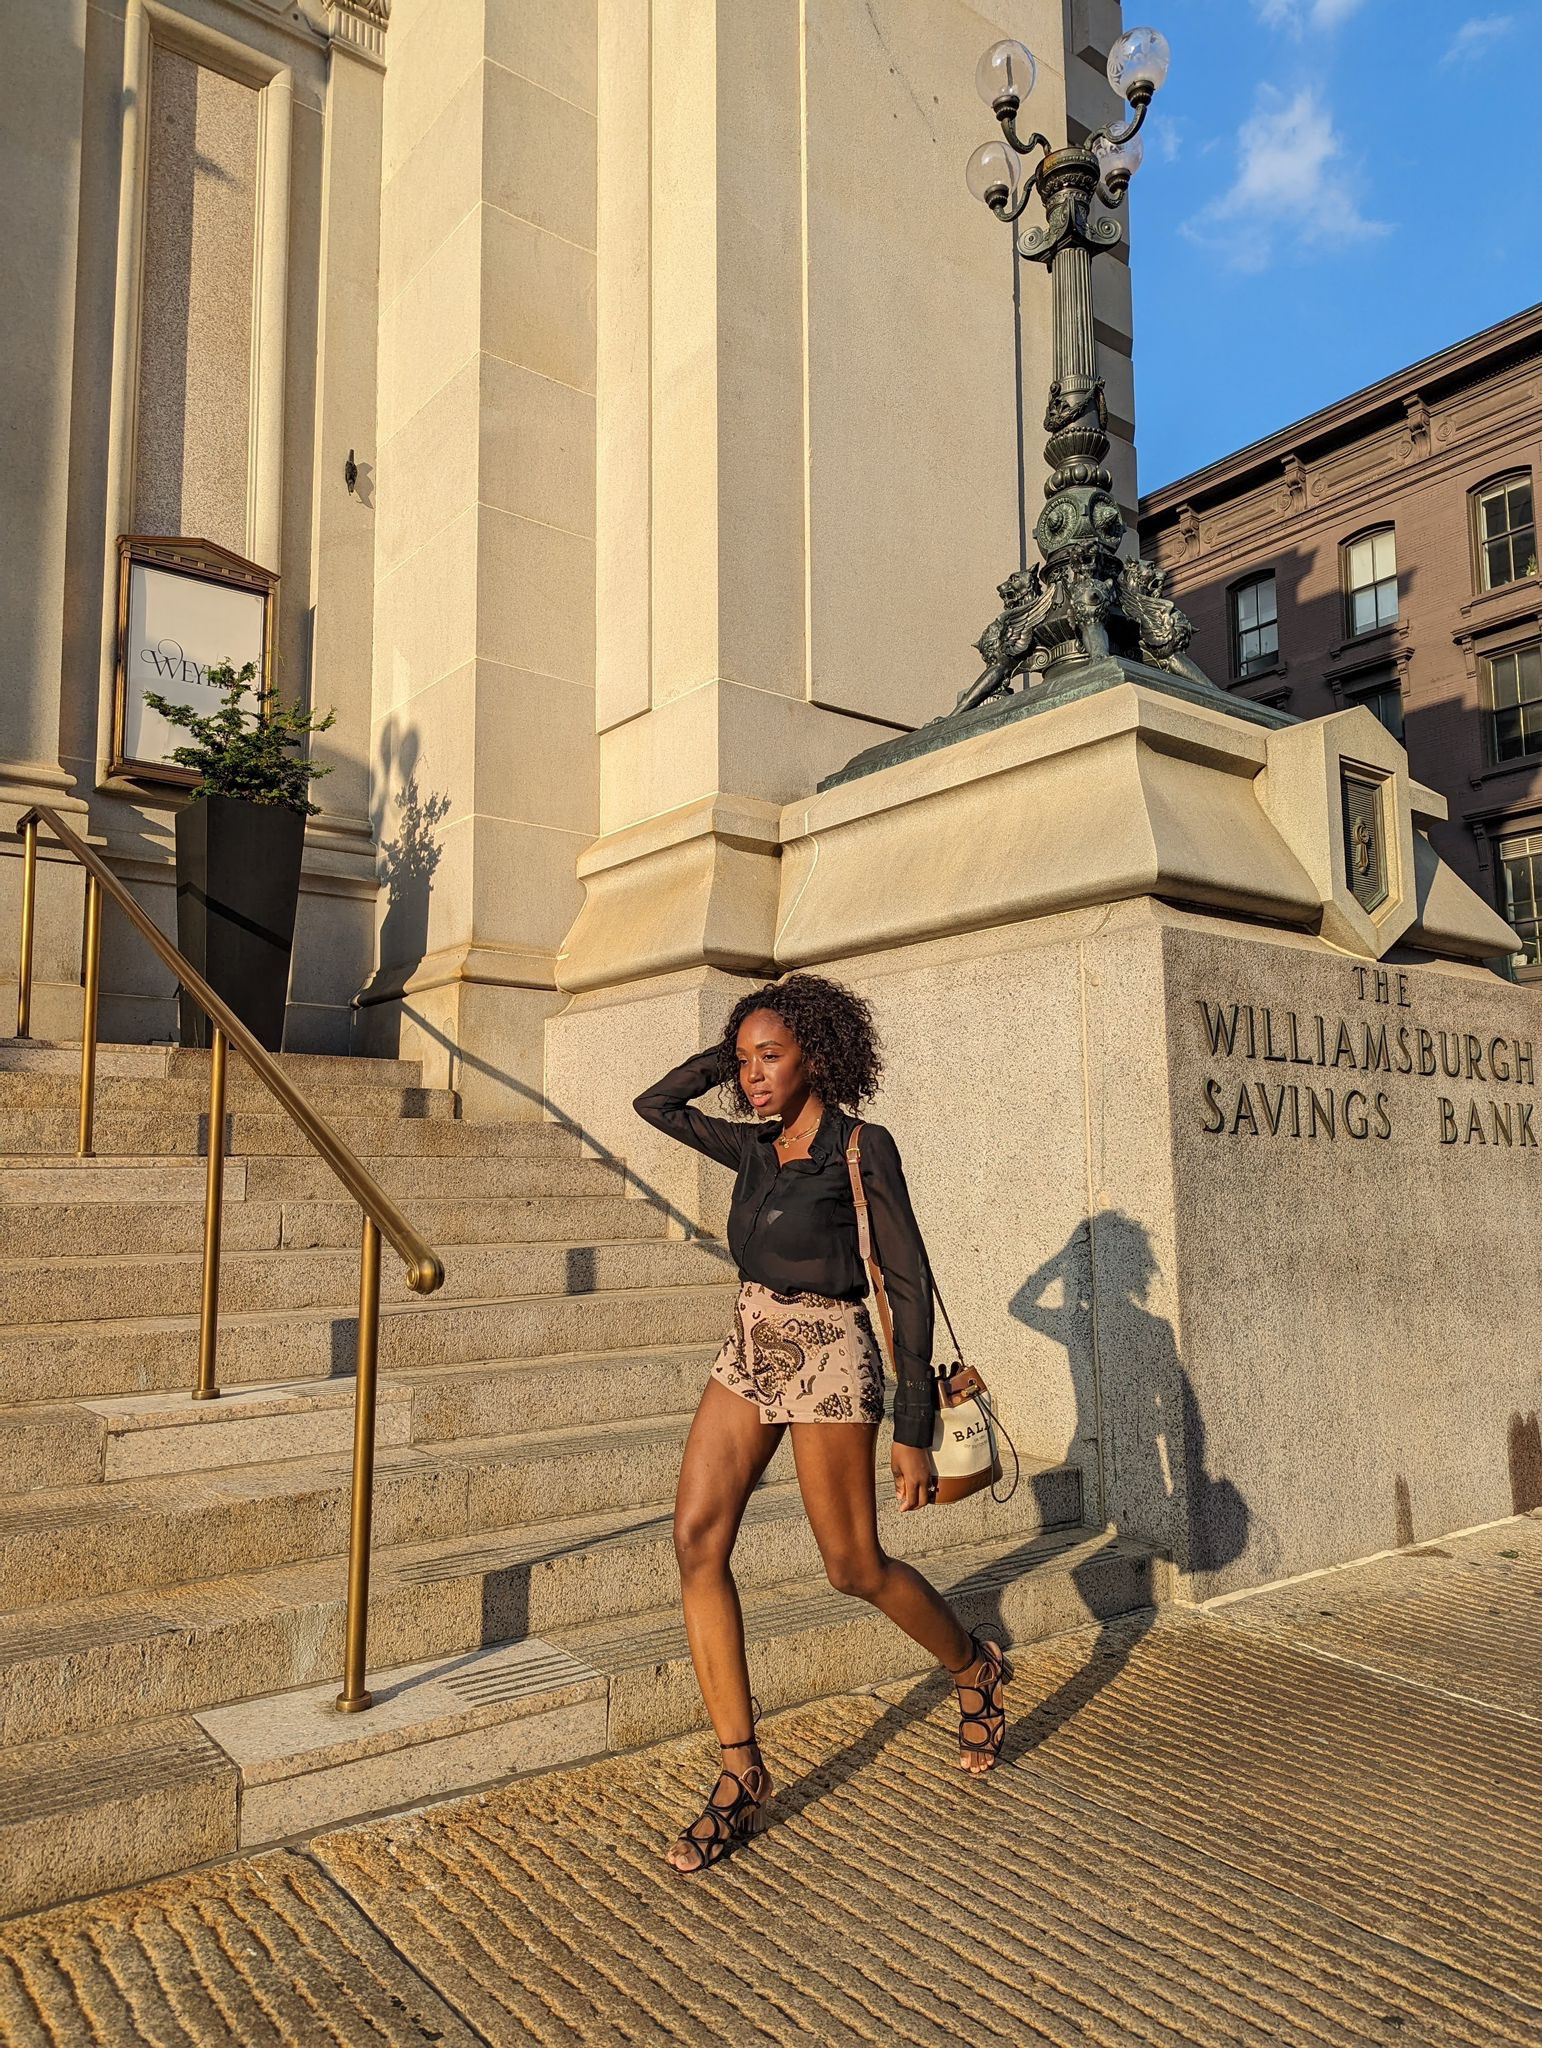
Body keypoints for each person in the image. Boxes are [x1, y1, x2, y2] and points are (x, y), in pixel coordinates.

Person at [632, 970, 1011, 1875]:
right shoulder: (753, 1147)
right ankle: (740, 1773)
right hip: (752, 1336)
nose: (755, 1074)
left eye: (772, 1055)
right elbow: (655, 1103)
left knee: (853, 1566)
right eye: (745, 1058)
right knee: (695, 1540)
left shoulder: (860, 1147)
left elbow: (908, 1284)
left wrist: (910, 1423)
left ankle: (972, 1667)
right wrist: (723, 1053)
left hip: (834, 1348)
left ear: (817, 1056)